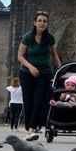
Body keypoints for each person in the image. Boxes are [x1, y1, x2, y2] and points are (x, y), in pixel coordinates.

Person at [18, 11, 61, 141]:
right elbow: (20, 56)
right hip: (27, 73)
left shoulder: (49, 38)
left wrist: (60, 67)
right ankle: (28, 128)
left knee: (39, 100)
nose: (42, 23)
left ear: (47, 24)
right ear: (35, 22)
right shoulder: (28, 38)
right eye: (40, 20)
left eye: (45, 21)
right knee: (28, 100)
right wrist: (31, 67)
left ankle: (32, 128)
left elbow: (54, 54)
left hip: (44, 73)